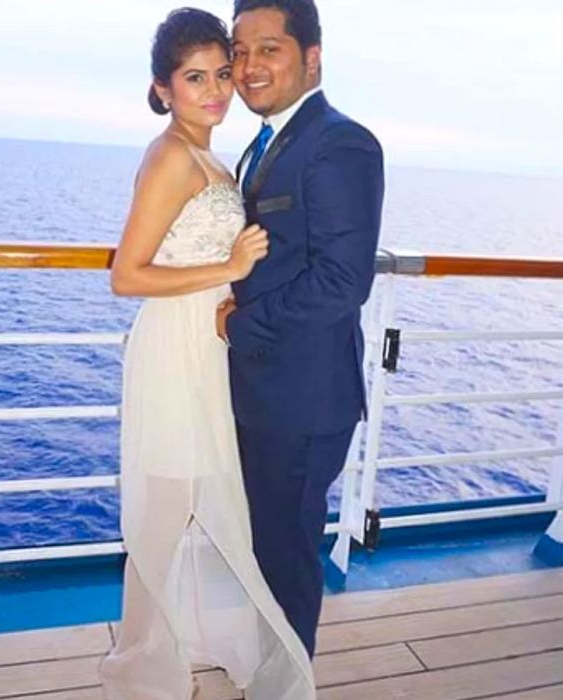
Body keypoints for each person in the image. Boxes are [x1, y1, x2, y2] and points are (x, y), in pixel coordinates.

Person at [99, 8, 316, 700]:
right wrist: (223, 265)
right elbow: (127, 276)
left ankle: (174, 659)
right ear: (163, 88)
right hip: (173, 352)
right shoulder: (169, 156)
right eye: (196, 78)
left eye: (222, 73)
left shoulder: (209, 156)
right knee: (163, 517)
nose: (217, 89)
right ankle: (142, 675)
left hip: (204, 347)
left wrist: (227, 287)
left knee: (207, 508)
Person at [216, 0, 385, 658]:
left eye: (269, 49)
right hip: (263, 391)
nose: (249, 66)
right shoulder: (265, 144)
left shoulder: (340, 143)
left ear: (312, 58)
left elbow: (344, 281)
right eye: (240, 50)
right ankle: (272, 675)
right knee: (264, 549)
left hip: (302, 399)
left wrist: (241, 325)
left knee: (286, 560)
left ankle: (288, 683)